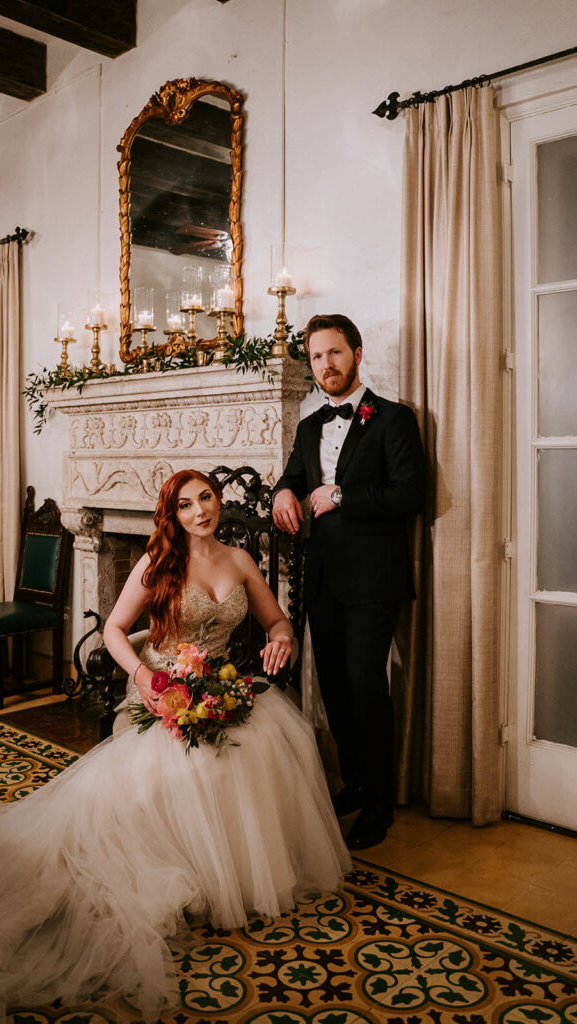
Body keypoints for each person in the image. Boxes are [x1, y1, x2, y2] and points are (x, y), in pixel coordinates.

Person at [0, 469, 350, 1024]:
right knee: (181, 775)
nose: (200, 511)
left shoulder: (239, 559)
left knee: (269, 745)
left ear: (218, 501)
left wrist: (281, 641)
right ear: (173, 514)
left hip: (225, 686)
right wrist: (143, 676)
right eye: (186, 505)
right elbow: (114, 629)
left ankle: (234, 873)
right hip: (165, 689)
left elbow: (277, 621)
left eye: (206, 498)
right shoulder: (157, 563)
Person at [273, 314, 425, 851]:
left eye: (334, 353)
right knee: (334, 690)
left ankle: (380, 801)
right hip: (323, 579)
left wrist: (340, 496)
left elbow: (410, 495)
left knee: (365, 685)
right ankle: (356, 783)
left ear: (357, 353)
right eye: (316, 356)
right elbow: (293, 475)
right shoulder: (309, 425)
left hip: (373, 580)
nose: (325, 365)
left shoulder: (393, 419)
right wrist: (282, 494)